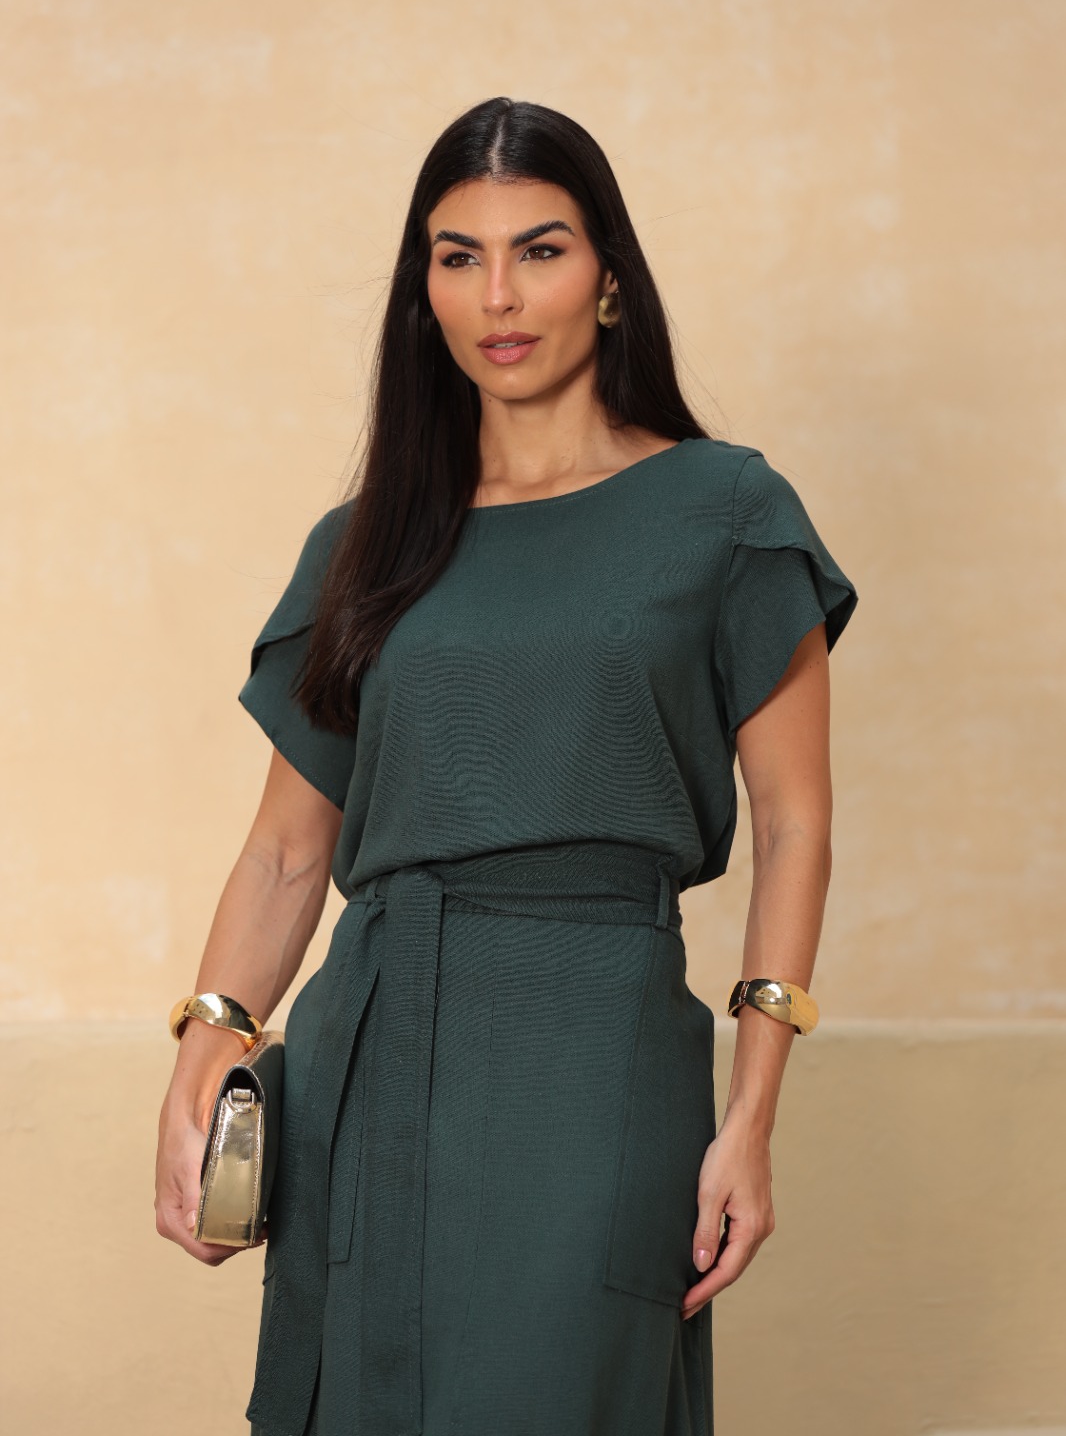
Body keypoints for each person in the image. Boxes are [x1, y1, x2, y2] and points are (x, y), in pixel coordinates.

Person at [155, 95, 859, 1436]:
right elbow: (288, 849)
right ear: (422, 292)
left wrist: (752, 1113)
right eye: (458, 256)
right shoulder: (364, 543)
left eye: (540, 249)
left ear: (608, 278)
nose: (499, 296)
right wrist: (206, 1053)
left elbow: (794, 825)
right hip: (374, 1052)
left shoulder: (726, 512)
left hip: (595, 1053)